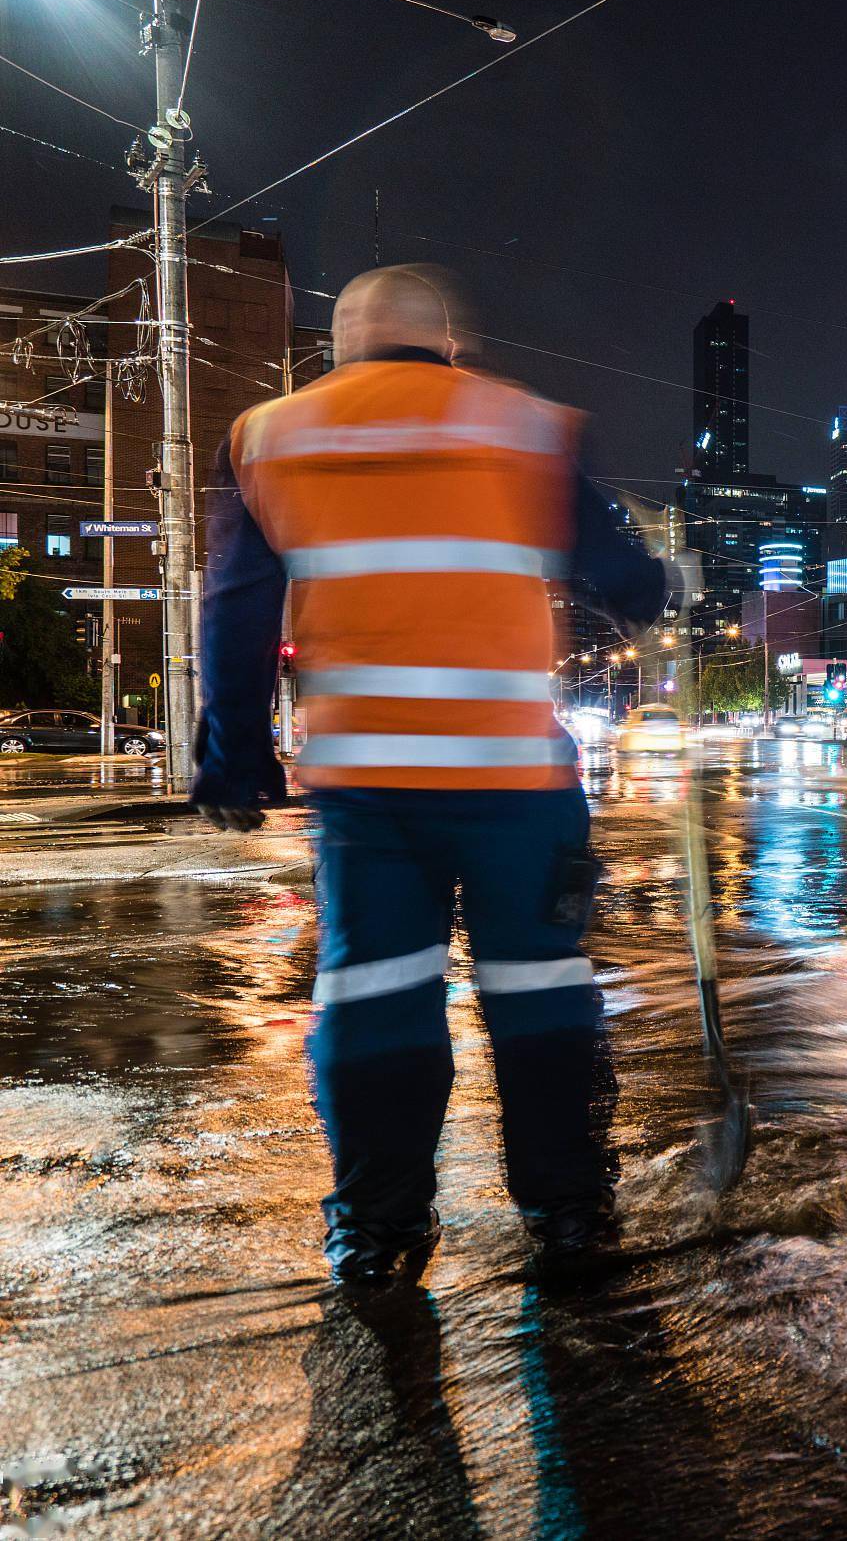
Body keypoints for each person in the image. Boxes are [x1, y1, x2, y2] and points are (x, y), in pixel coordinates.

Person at [193, 265, 667, 1286]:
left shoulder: (274, 435)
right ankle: (569, 1213)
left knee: (377, 1001)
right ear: (450, 345)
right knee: (539, 996)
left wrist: (231, 754)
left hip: (366, 792)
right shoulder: (522, 426)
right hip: (515, 787)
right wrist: (650, 591)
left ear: (340, 347)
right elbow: (621, 573)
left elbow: (233, 605)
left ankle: (378, 1230)